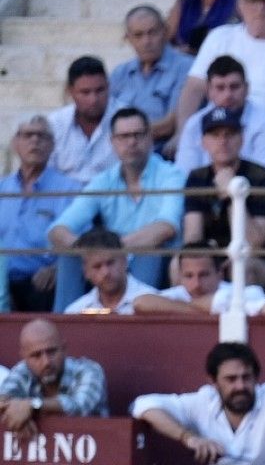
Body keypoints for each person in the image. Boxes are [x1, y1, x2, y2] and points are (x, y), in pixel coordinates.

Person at [48, 108, 185, 305]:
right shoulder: (104, 180)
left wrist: (112, 249)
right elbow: (58, 229)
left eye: (138, 135)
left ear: (150, 138)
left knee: (149, 251)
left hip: (152, 257)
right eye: (124, 136)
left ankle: (138, 320)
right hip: (112, 259)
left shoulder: (171, 175)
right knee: (70, 256)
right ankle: (64, 324)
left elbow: (166, 227)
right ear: (113, 142)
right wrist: (84, 248)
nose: (131, 142)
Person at [131, 341, 265, 465]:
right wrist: (189, 437)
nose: (240, 386)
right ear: (213, 382)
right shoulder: (204, 401)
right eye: (231, 379)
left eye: (246, 378)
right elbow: (144, 405)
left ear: (256, 378)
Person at [183, 109, 265, 294]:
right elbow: (192, 238)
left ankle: (247, 322)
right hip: (218, 261)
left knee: (242, 268)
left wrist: (231, 195)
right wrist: (213, 261)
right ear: (204, 142)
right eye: (215, 135)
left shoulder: (263, 178)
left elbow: (254, 243)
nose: (223, 141)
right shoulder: (197, 178)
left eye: (230, 134)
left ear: (242, 139)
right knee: (180, 265)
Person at [0, 118, 81, 313]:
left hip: (41, 280)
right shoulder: (2, 188)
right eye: (28, 135)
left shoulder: (69, 190)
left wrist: (56, 269)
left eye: (42, 136)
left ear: (52, 145)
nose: (35, 141)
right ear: (15, 143)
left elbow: (79, 242)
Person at [172, 55, 265, 179]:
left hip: (259, 196)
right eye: (220, 88)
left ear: (247, 88)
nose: (228, 95)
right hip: (208, 196)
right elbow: (184, 178)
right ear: (208, 91)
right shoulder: (195, 124)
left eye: (234, 87)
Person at [135, 243, 265, 328]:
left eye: (204, 275)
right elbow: (141, 302)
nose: (196, 284)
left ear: (220, 273)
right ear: (180, 276)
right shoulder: (178, 294)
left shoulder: (244, 293)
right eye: (189, 276)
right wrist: (201, 311)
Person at [111, 8, 195, 148]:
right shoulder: (120, 73)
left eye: (152, 32)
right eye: (138, 35)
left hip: (162, 153)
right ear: (128, 39)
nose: (146, 41)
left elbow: (169, 124)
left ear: (165, 32)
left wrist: (126, 135)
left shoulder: (186, 67)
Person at [0, 320, 109, 428]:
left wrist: (32, 406)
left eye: (52, 352)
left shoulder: (89, 370)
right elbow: (2, 399)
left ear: (64, 349)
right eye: (37, 355)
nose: (46, 362)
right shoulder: (23, 370)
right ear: (24, 357)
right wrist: (20, 418)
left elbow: (78, 407)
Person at [62, 229, 163, 314]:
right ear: (86, 272)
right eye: (97, 266)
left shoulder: (157, 303)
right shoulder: (75, 312)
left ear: (125, 261)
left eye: (110, 263)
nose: (105, 272)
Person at [49, 58, 114, 184]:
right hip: (64, 198)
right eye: (85, 92)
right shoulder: (55, 124)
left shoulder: (128, 121)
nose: (93, 99)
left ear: (108, 87)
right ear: (70, 91)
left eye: (100, 91)